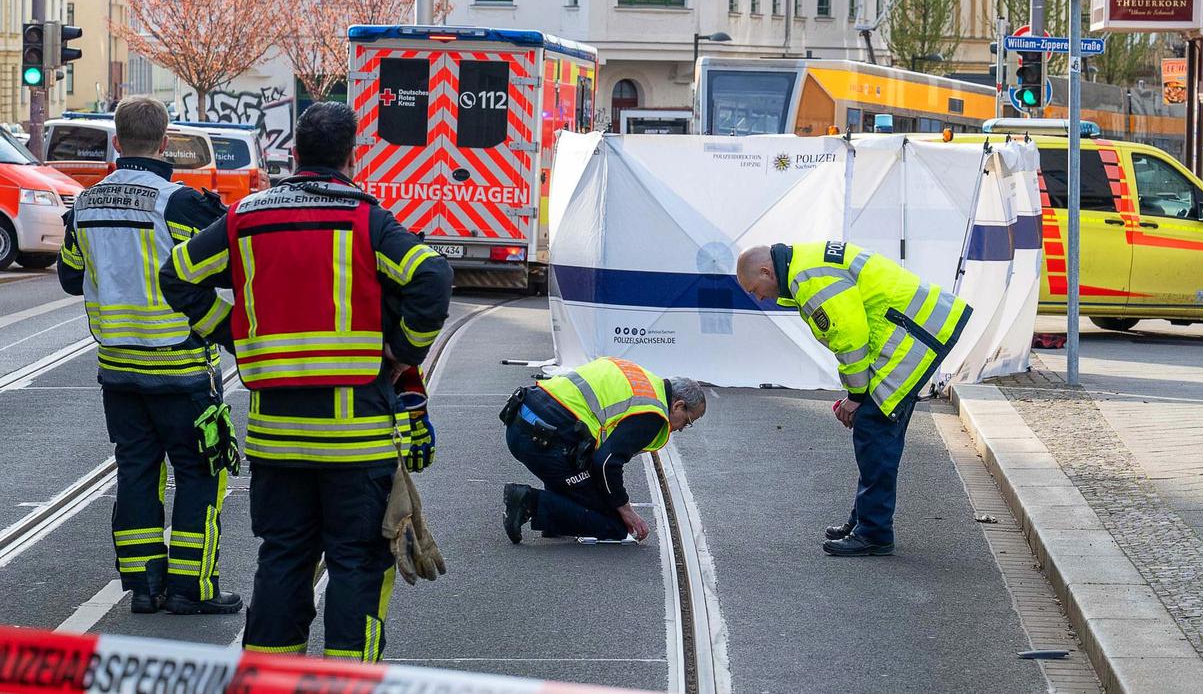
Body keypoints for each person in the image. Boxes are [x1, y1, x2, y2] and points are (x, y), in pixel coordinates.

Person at [159, 102, 453, 661]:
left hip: (276, 438)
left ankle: (271, 676)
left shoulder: (247, 216)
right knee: (357, 562)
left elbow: (177, 273)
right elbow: (430, 275)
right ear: (351, 156)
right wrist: (401, 352)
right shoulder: (365, 218)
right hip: (355, 438)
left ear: (293, 154)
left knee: (284, 557)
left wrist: (233, 333)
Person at [56, 96, 240, 615]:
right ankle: (191, 586)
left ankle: (143, 586)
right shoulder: (178, 203)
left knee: (136, 470)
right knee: (201, 471)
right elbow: (222, 268)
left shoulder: (86, 204)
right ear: (166, 144)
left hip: (118, 370)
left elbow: (72, 278)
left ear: (117, 143)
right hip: (180, 367)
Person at [736, 241, 971, 557]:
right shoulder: (805, 263)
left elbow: (850, 338)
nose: (759, 297)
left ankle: (873, 533)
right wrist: (855, 395)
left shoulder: (808, 279)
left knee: (875, 433)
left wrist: (856, 396)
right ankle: (864, 520)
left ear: (766, 270)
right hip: (915, 328)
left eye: (755, 288)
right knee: (875, 433)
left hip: (911, 336)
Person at [500, 358, 705, 543]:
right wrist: (625, 509)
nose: (680, 429)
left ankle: (554, 517)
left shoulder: (639, 376)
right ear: (678, 405)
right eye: (687, 422)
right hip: (544, 443)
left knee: (584, 476)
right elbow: (606, 463)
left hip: (520, 421)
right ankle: (528, 502)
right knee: (614, 524)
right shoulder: (652, 414)